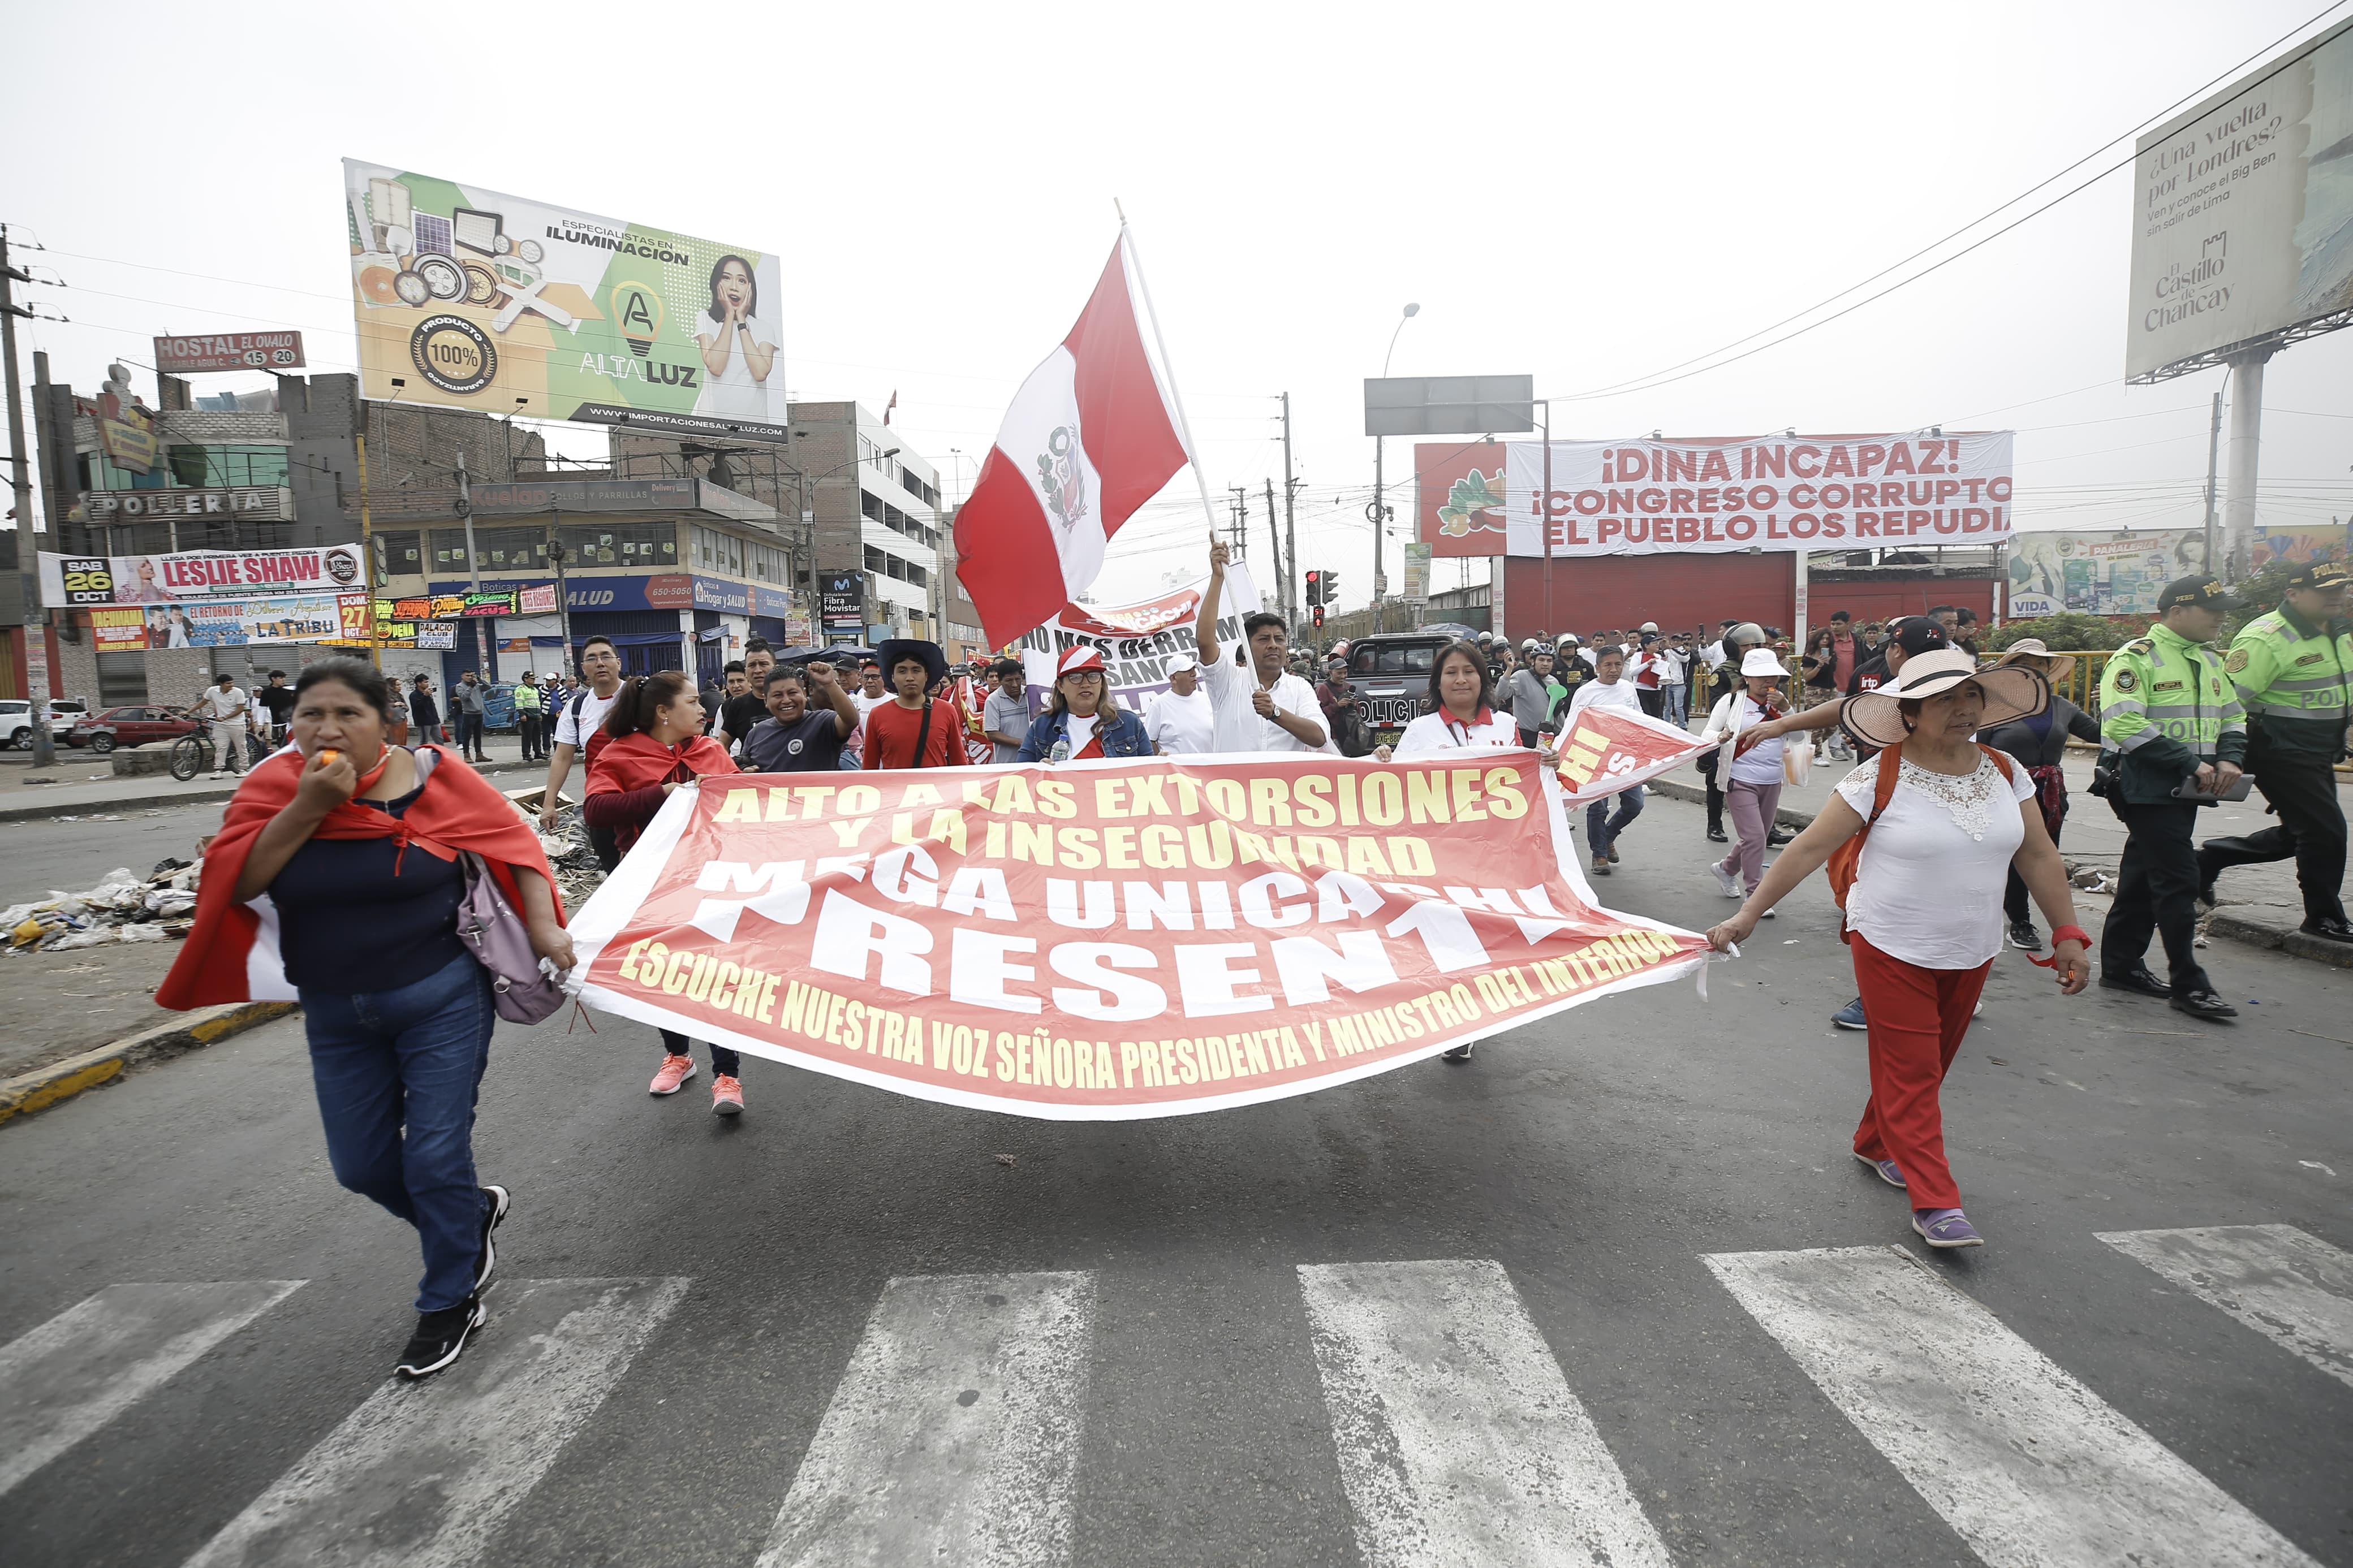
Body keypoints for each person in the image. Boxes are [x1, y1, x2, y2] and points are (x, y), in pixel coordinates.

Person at [157, 657, 572, 1377]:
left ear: (388, 722)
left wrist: (543, 925)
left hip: (442, 997)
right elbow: (240, 877)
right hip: (335, 1010)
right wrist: (309, 806)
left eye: (348, 714)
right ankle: (467, 1217)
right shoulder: (274, 786)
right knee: (361, 1166)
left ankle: (449, 1298)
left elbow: (514, 844)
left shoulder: (436, 776)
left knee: (435, 1156)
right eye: (310, 714)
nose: (326, 728)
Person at [1708, 649, 2085, 1250]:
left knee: (1926, 1066)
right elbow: (1806, 849)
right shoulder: (1876, 775)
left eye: (1970, 696)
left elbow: (2036, 854)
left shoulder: (2004, 769)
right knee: (1915, 1069)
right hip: (1889, 944)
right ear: (1908, 713)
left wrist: (2067, 933)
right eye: (1943, 700)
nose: (1963, 710)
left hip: (1972, 946)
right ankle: (1935, 1200)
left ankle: (1875, 1141)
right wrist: (1746, 914)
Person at [583, 672, 749, 1113]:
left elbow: (746, 805)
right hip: (651, 884)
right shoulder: (619, 754)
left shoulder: (711, 750)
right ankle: (678, 1053)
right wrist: (663, 793)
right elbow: (596, 810)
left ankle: (727, 1075)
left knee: (715, 975)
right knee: (664, 971)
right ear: (663, 712)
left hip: (712, 878)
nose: (703, 711)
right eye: (694, 702)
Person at [2096, 574, 2247, 1020]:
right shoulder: (2136, 658)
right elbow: (2122, 724)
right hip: (2148, 788)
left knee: (2144, 876)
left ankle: (2121, 966)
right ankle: (2189, 983)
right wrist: (2189, 762)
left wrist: (2231, 759)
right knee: (2179, 881)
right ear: (2176, 611)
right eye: (2211, 609)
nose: (2221, 618)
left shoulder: (2209, 659)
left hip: (2189, 788)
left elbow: (2234, 715)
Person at [2197, 560, 2352, 943]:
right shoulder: (2266, 638)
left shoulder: (2341, 630)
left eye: (2341, 587)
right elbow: (2228, 701)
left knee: (2306, 831)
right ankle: (2323, 916)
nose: (2336, 596)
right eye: (2325, 589)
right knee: (2324, 830)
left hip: (2318, 749)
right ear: (2293, 594)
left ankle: (2211, 858)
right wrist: (2222, 755)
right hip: (2277, 750)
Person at [1977, 640, 2101, 952]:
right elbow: (1976, 750)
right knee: (2013, 854)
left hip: (2050, 795)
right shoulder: (1995, 710)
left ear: (2049, 670)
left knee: (2045, 855)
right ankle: (2019, 920)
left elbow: (2102, 735)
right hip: (2004, 789)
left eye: (2041, 663)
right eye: (2025, 662)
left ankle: (2038, 920)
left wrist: (2112, 705)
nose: (2034, 668)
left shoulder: (2062, 707)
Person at [1190, 535, 1328, 752]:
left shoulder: (1299, 688)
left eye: (1279, 639)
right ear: (1246, 648)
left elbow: (1319, 737)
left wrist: (1275, 713)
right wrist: (1218, 578)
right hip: (1232, 786)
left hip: (1285, 786)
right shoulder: (1228, 681)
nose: (1273, 645)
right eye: (1264, 639)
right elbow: (1205, 642)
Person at [1701, 649, 1794, 910]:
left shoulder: (1781, 703)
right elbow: (1708, 732)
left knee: (1756, 838)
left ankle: (1725, 869)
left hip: (1772, 780)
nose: (1768, 682)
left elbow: (1798, 738)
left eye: (1772, 677)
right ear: (1747, 677)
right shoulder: (1731, 702)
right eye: (1761, 677)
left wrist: (1787, 710)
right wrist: (1718, 738)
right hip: (1739, 778)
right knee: (1755, 838)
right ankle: (1755, 895)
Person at [540, 636, 627, 864]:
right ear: (583, 669)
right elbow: (562, 757)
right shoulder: (576, 707)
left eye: (606, 656)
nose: (600, 663)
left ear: (618, 663)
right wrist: (549, 805)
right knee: (612, 870)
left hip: (643, 801)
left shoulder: (641, 697)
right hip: (601, 804)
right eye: (592, 658)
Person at [1566, 644, 1647, 876]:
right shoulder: (1586, 692)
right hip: (1596, 756)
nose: (1613, 670)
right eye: (1608, 665)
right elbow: (1574, 725)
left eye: (1618, 665)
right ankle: (1599, 854)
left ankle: (1609, 835)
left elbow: (1639, 720)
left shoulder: (1628, 689)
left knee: (1634, 804)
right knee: (1598, 808)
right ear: (1597, 667)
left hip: (1625, 757)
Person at [1019, 646, 1155, 760]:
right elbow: (1021, 778)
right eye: (1075, 677)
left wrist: (1163, 766)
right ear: (1060, 686)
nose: (1085, 684)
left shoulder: (1130, 723)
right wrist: (1040, 772)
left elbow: (1150, 775)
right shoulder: (1042, 727)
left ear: (1102, 683)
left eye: (1093, 676)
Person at [692, 254, 780, 423]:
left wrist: (741, 321)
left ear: (750, 288)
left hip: (754, 429)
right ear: (716, 283)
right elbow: (716, 366)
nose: (733, 287)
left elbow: (761, 372)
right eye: (726, 278)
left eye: (741, 281)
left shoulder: (764, 328)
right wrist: (729, 315)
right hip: (710, 425)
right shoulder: (705, 318)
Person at [740, 660, 857, 772]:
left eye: (792, 693)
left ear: (804, 694)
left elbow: (851, 721)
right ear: (766, 700)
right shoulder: (756, 733)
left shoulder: (823, 722)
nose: (786, 700)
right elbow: (744, 764)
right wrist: (746, 770)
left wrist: (830, 684)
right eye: (778, 695)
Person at [863, 640, 962, 769]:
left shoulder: (947, 711)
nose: (910, 677)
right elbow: (869, 768)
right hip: (894, 789)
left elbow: (960, 764)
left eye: (916, 670)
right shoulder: (877, 715)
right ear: (892, 677)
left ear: (926, 676)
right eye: (902, 671)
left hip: (936, 788)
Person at [1147, 656, 1218, 755]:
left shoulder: (1207, 699)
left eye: (1194, 669)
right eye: (1188, 671)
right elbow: (1149, 740)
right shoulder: (1159, 704)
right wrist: (1161, 761)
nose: (1194, 674)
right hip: (1178, 770)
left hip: (1209, 768)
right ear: (1174, 678)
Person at [1500, 642, 1560, 746]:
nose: (1545, 664)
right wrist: (1509, 669)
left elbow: (1558, 710)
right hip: (1525, 736)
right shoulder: (1521, 677)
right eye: (1541, 660)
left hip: (1547, 736)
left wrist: (1561, 731)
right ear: (1533, 662)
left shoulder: (1554, 681)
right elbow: (1502, 694)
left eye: (1549, 661)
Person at [199, 673, 251, 776]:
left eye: (232, 683)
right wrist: (188, 712)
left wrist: (225, 717)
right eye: (228, 683)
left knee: (241, 747)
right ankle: (219, 770)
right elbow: (203, 702)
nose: (231, 685)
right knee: (221, 747)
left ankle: (243, 769)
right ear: (221, 684)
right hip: (221, 725)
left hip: (237, 724)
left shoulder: (238, 692)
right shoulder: (212, 691)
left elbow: (240, 709)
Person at [983, 659, 1032, 762]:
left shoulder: (1030, 695)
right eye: (1009, 680)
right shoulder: (993, 700)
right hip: (1008, 764)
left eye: (1018, 679)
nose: (1015, 685)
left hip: (1032, 761)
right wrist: (1023, 743)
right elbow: (992, 734)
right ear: (1000, 681)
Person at [255, 670, 296, 746]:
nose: (283, 680)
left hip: (292, 723)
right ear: (273, 679)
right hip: (277, 724)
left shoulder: (290, 690)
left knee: (293, 745)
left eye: (284, 678)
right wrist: (261, 724)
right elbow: (262, 708)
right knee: (282, 746)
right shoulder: (267, 692)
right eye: (281, 678)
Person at [1658, 634, 1691, 727]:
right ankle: (1666, 726)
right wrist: (1661, 644)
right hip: (1668, 683)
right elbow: (1660, 655)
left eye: (1678, 641)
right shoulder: (1668, 652)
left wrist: (1670, 647)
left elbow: (1683, 658)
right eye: (1674, 640)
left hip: (1680, 684)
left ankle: (1682, 726)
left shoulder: (1685, 652)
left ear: (1682, 642)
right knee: (1666, 707)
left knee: (1678, 707)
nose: (1675, 642)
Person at [512, 671, 544, 763]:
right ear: (526, 679)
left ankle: (538, 753)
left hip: (536, 715)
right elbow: (519, 702)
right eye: (532, 678)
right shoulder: (520, 689)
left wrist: (540, 714)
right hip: (527, 715)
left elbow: (538, 703)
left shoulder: (535, 689)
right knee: (527, 736)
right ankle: (526, 754)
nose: (534, 680)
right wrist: (522, 714)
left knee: (537, 736)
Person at [385, 676, 411, 748]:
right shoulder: (386, 696)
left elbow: (407, 708)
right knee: (394, 743)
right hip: (392, 723)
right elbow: (382, 706)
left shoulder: (400, 696)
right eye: (397, 685)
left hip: (402, 721)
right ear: (391, 686)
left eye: (400, 685)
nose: (400, 687)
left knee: (402, 742)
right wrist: (394, 704)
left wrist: (402, 706)